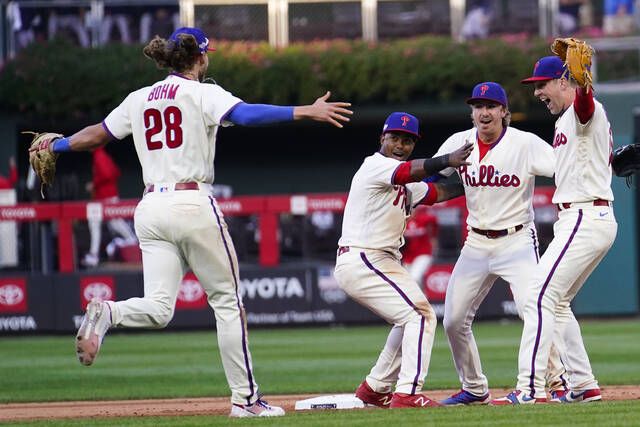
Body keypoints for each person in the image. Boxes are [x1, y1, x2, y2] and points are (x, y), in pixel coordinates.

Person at [29, 27, 352, 417]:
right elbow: (246, 115)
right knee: (228, 304)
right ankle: (246, 401)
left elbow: (98, 135)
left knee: (159, 307)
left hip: (149, 208)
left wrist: (57, 144)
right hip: (192, 201)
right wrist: (305, 110)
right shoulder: (203, 93)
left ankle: (108, 312)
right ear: (200, 57)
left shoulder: (139, 98)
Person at [432, 82, 569, 406]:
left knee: (532, 308)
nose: (484, 112)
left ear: (504, 112)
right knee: (452, 319)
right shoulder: (459, 142)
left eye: (491, 106)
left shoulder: (525, 144)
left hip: (517, 239)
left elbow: (565, 170)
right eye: (478, 106)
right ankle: (474, 388)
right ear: (472, 112)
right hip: (476, 241)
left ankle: (558, 381)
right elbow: (434, 176)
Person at [492, 55, 617, 404]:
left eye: (542, 85)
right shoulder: (568, 121)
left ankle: (529, 388)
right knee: (557, 303)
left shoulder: (581, 109)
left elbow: (586, 104)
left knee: (537, 295)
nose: (537, 94)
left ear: (565, 81)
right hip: (583, 218)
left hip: (584, 217)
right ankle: (584, 385)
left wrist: (584, 81)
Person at [334, 112, 474, 409]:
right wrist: (448, 159)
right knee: (421, 316)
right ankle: (408, 393)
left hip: (379, 260)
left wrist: (477, 180)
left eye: (407, 140)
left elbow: (438, 192)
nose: (400, 145)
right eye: (395, 138)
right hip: (364, 258)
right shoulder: (376, 166)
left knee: (409, 318)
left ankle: (376, 387)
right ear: (381, 139)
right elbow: (409, 171)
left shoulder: (405, 183)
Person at [82, 146, 137, 268]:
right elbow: (116, 172)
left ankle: (132, 240)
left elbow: (108, 174)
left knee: (112, 223)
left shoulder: (99, 155)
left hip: (107, 198)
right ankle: (94, 254)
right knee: (99, 223)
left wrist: (94, 184)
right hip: (105, 197)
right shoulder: (102, 155)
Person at [401, 206, 438, 285]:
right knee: (407, 282)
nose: (411, 212)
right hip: (407, 257)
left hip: (423, 254)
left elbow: (434, 220)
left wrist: (433, 237)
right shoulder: (401, 223)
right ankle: (423, 296)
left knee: (415, 277)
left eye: (413, 209)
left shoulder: (423, 219)